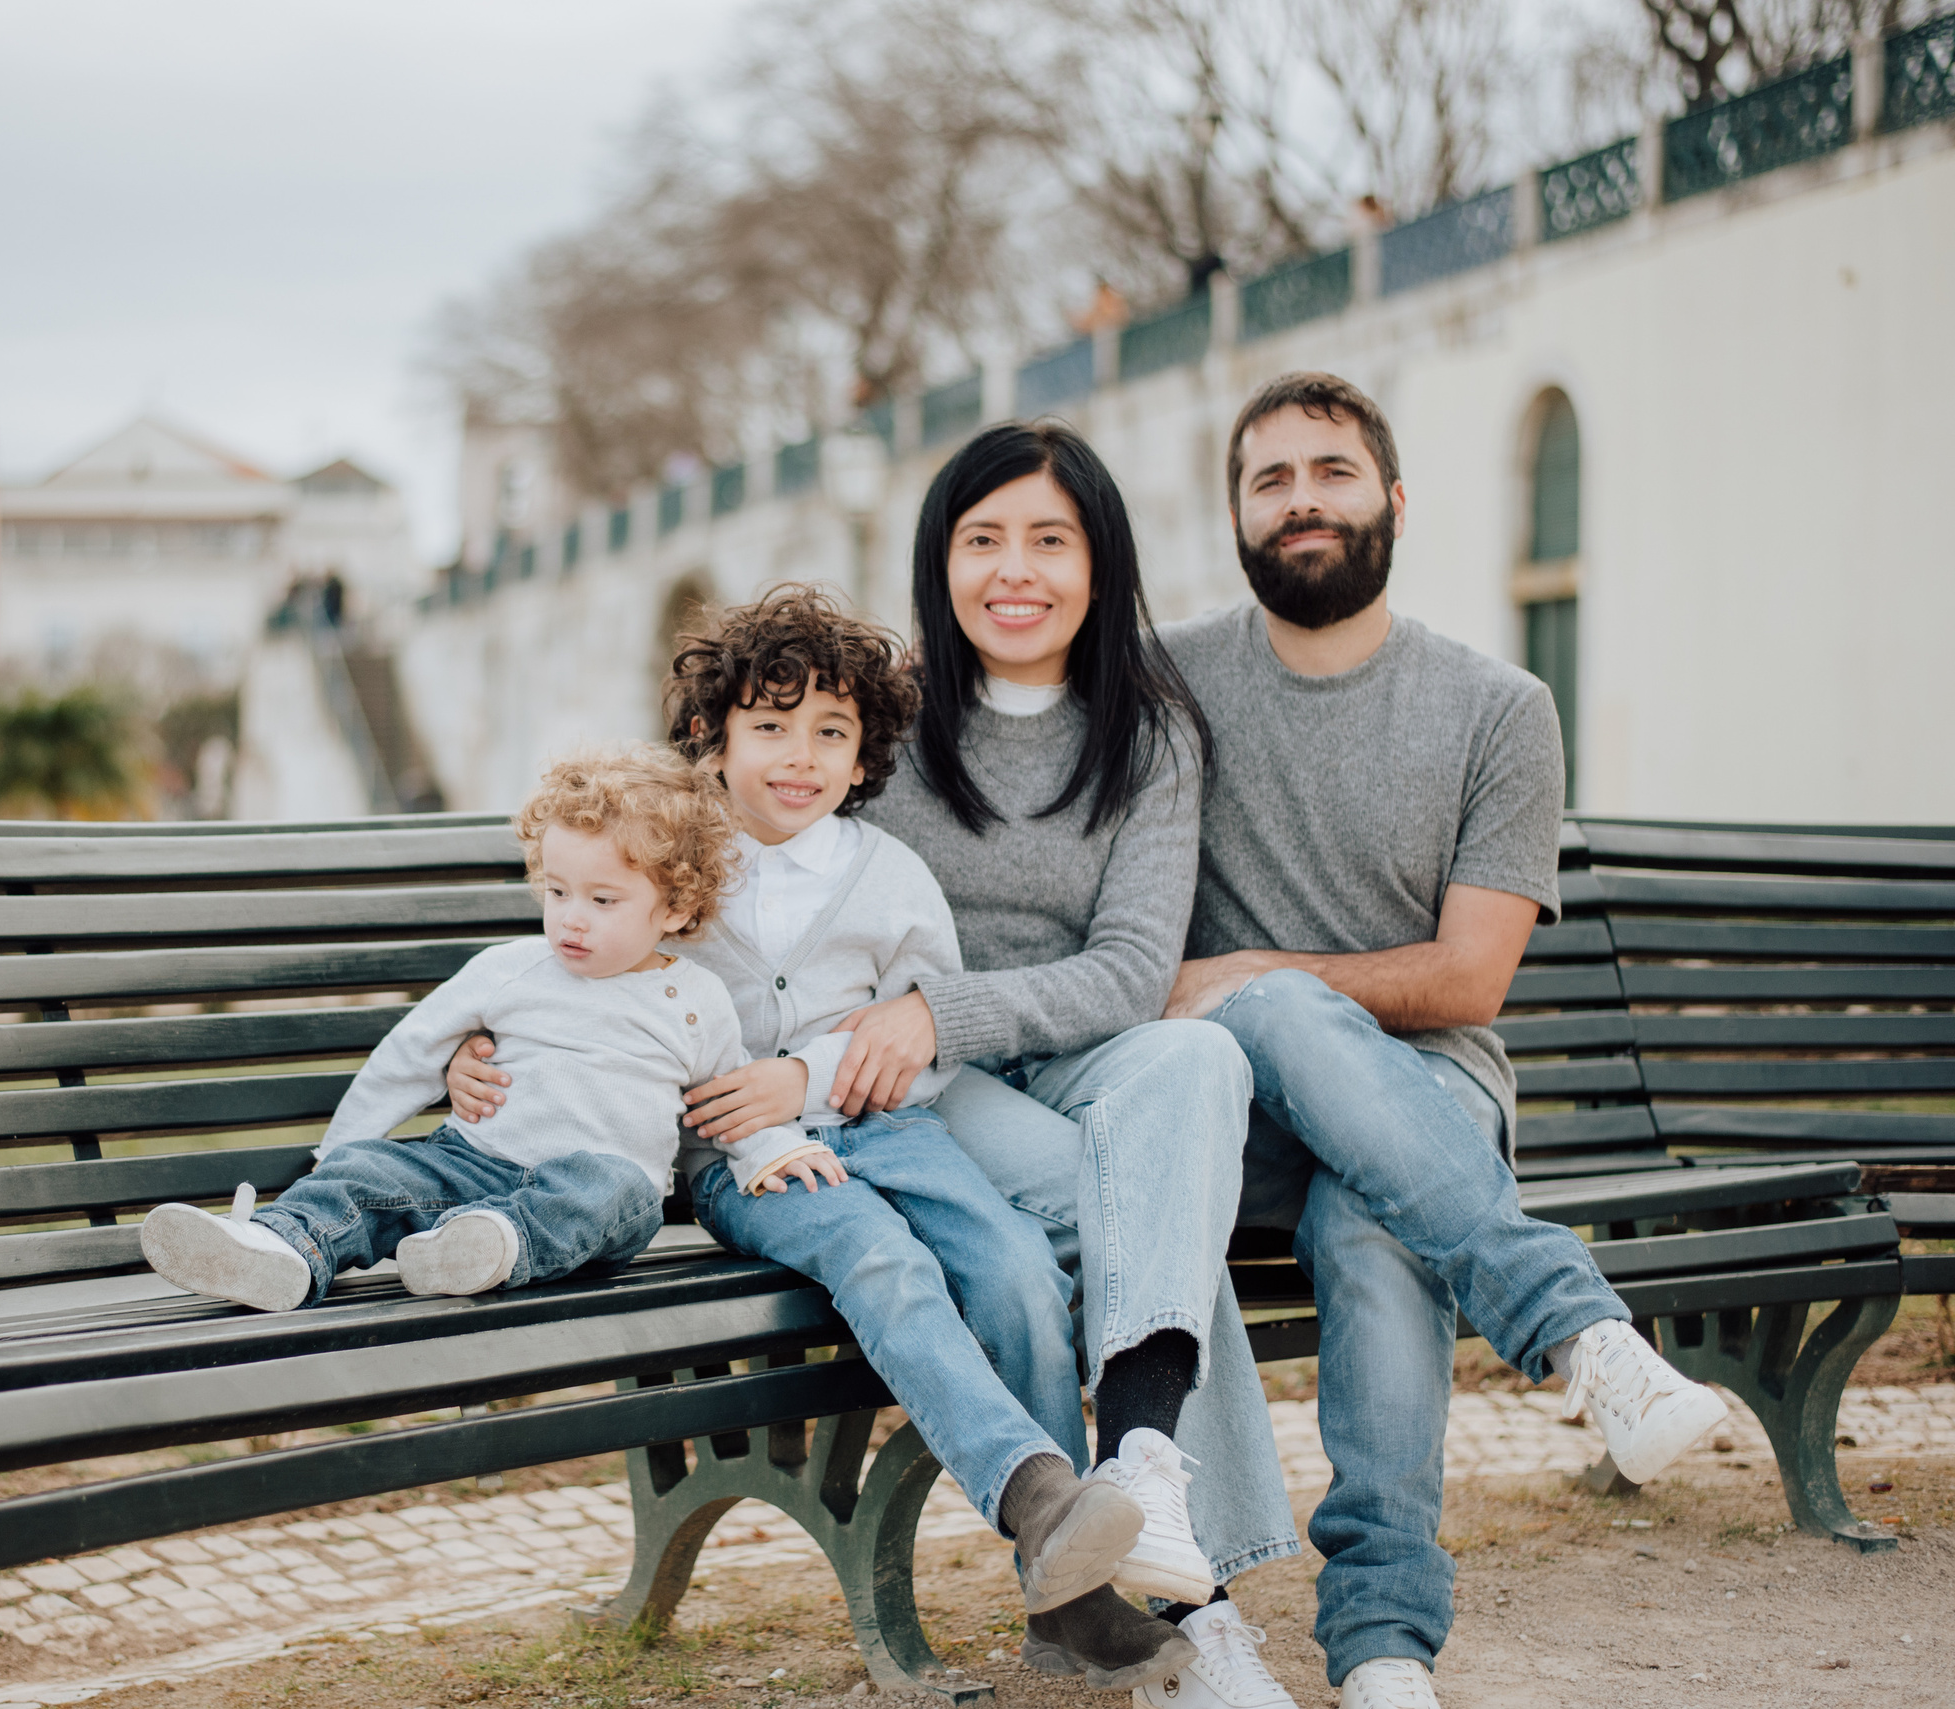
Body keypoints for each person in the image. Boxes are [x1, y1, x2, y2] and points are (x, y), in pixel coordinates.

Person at [1154, 370, 1727, 1708]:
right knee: (1273, 1012)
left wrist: (1257, 972)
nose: (1302, 499)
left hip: (1422, 1095)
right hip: (1229, 1108)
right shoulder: (1166, 684)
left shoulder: (1498, 707)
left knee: (1376, 1216)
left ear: (1396, 502)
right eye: (1270, 479)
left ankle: (1383, 1646)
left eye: (1332, 471)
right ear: (1237, 517)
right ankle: (1576, 1328)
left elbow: (1472, 978)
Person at [449, 585, 1165, 1622]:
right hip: (747, 1156)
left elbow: (928, 1035)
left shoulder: (890, 874)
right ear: (714, 735)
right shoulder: (669, 862)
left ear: (864, 753)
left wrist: (825, 1076)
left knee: (1015, 1264)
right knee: (882, 1258)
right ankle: (1043, 1510)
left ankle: (1065, 1591)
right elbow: (571, 963)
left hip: (893, 1127)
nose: (801, 756)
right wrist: (473, 1048)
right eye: (771, 726)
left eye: (831, 731)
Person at [849, 420, 1301, 1706]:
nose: (1016, 570)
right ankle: (1196, 1608)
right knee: (1153, 1214)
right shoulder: (876, 722)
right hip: (925, 1094)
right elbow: (708, 843)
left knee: (1195, 1059)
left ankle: (1141, 1461)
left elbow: (1129, 972)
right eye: (982, 538)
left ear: (1099, 563)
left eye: (1050, 540)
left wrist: (942, 1007)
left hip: (1065, 1058)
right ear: (939, 560)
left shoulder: (1150, 733)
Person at [139, 746, 783, 1310]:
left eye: (602, 900)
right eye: (557, 892)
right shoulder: (511, 969)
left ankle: (490, 1245)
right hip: (471, 1164)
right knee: (372, 1171)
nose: (571, 919)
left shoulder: (696, 999)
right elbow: (413, 1050)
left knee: (610, 1188)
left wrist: (770, 1153)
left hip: (595, 1196)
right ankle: (281, 1249)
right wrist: (340, 1147)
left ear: (675, 906)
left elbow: (727, 1099)